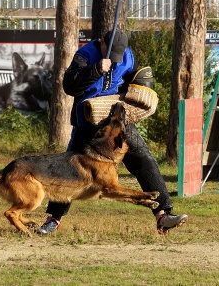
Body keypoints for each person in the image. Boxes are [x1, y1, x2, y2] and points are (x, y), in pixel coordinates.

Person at [37, 29, 188, 235]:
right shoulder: (85, 55)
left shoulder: (127, 54)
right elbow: (70, 86)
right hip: (88, 118)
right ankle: (54, 218)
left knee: (144, 159)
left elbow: (129, 81)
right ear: (101, 42)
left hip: (117, 116)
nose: (117, 57)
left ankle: (163, 214)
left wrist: (138, 91)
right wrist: (96, 69)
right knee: (69, 168)